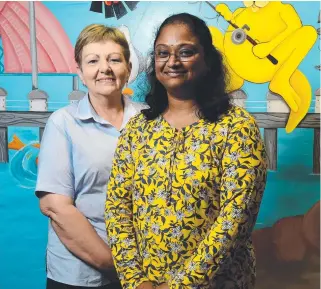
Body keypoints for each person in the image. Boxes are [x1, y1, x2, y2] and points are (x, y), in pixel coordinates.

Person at [105, 13, 268, 289]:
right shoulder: (137, 130)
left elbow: (235, 219)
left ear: (208, 60)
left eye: (186, 52)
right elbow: (117, 208)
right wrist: (136, 282)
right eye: (162, 53)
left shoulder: (236, 127)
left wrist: (180, 286)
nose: (172, 62)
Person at [35, 24, 146, 289]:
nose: (104, 68)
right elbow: (56, 206)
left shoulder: (149, 118)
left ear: (128, 69)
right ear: (81, 73)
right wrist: (119, 268)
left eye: (114, 59)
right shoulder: (63, 123)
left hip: (147, 268)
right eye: (93, 60)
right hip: (81, 275)